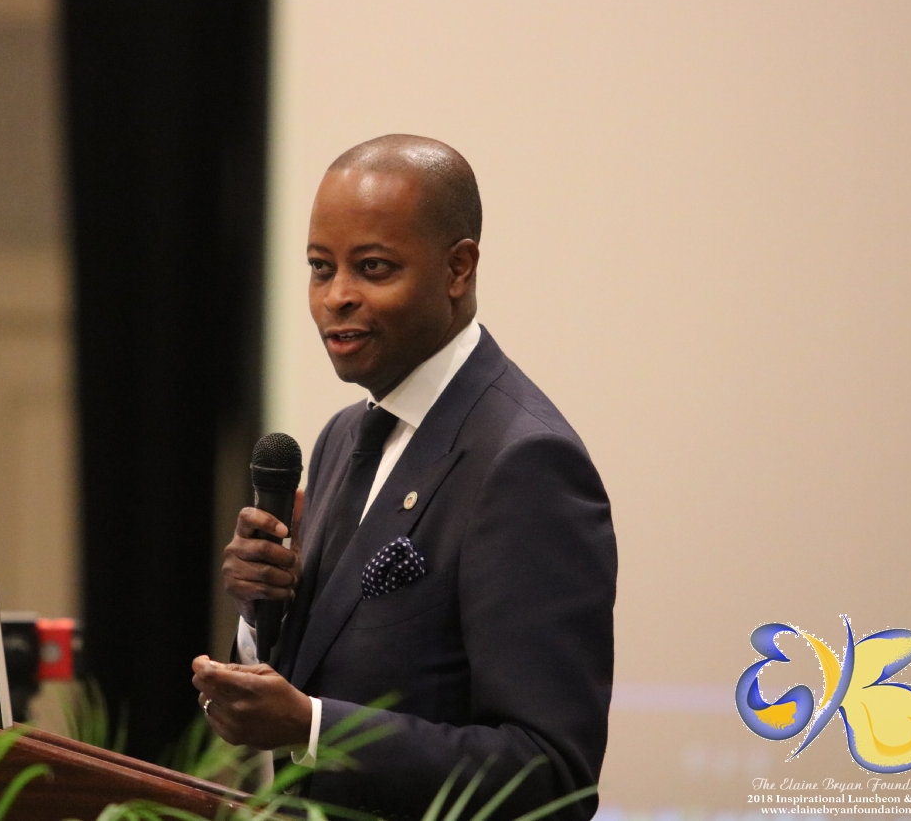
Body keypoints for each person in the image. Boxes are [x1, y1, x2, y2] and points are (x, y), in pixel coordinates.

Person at [192, 134, 616, 820]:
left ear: (458, 269)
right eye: (320, 267)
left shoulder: (525, 463)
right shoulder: (342, 438)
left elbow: (550, 775)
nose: (336, 297)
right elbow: (321, 672)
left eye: (373, 268)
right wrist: (259, 613)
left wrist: (314, 729)